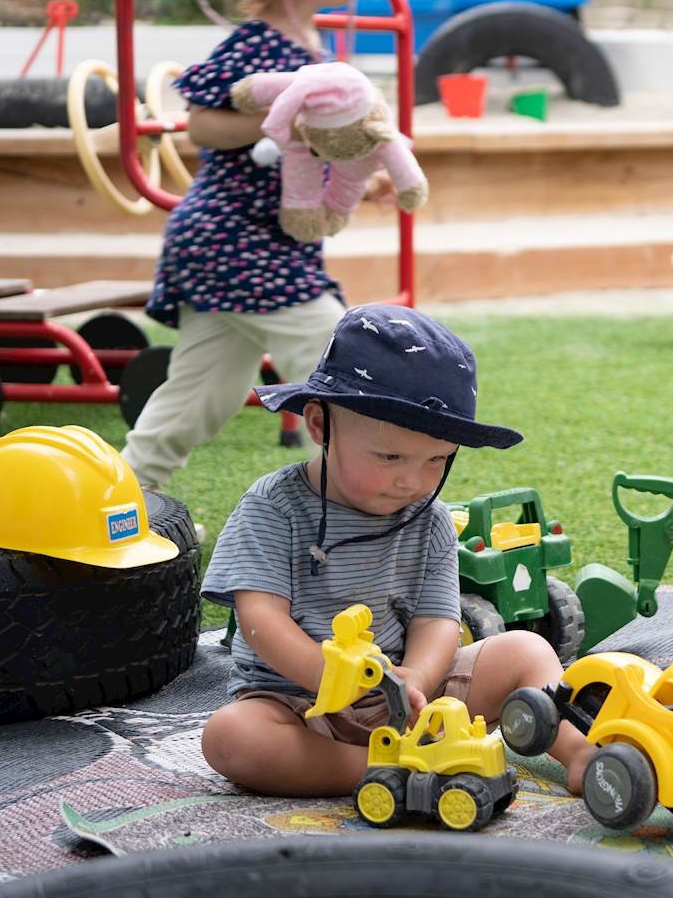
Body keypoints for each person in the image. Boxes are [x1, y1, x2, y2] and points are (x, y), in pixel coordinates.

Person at [199, 304, 594, 797]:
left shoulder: (428, 519)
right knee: (232, 738)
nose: (412, 480)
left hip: (408, 701)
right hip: (298, 703)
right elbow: (260, 618)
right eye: (390, 457)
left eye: (436, 460)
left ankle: (582, 754)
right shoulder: (275, 508)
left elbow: (437, 621)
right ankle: (378, 768)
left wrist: (419, 678)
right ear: (321, 425)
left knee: (526, 649)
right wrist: (330, 675)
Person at [122, 0, 396, 491]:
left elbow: (301, 153)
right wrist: (282, 124)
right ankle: (374, 500)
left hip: (240, 246)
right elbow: (200, 125)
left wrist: (356, 179)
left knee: (202, 395)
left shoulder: (308, 48)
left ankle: (122, 497)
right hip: (236, 241)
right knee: (338, 362)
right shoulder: (257, 45)